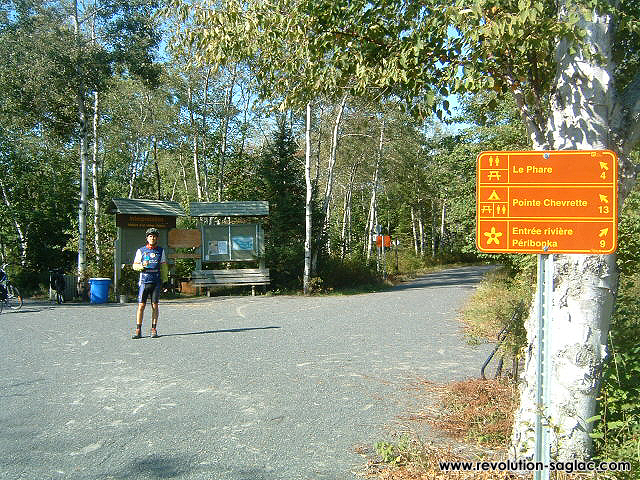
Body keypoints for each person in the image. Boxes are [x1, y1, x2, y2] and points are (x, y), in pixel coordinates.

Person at [131, 227, 168, 339]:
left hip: (156, 281)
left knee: (155, 305)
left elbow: (164, 267)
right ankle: (138, 329)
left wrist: (165, 281)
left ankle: (153, 329)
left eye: (154, 236)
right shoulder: (141, 250)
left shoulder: (161, 251)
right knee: (141, 305)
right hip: (144, 281)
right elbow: (134, 265)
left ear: (157, 238)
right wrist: (142, 266)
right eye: (150, 236)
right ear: (147, 238)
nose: (152, 238)